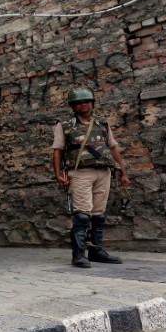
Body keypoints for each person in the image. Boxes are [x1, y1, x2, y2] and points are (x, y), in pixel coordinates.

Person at [52, 87, 130, 268]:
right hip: (80, 173)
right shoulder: (65, 125)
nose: (83, 104)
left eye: (86, 101)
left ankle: (96, 251)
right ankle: (78, 255)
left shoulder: (102, 124)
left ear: (92, 103)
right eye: (79, 102)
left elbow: (113, 148)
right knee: (82, 215)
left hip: (104, 172)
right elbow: (57, 152)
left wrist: (123, 173)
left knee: (99, 215)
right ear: (73, 106)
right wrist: (57, 174)